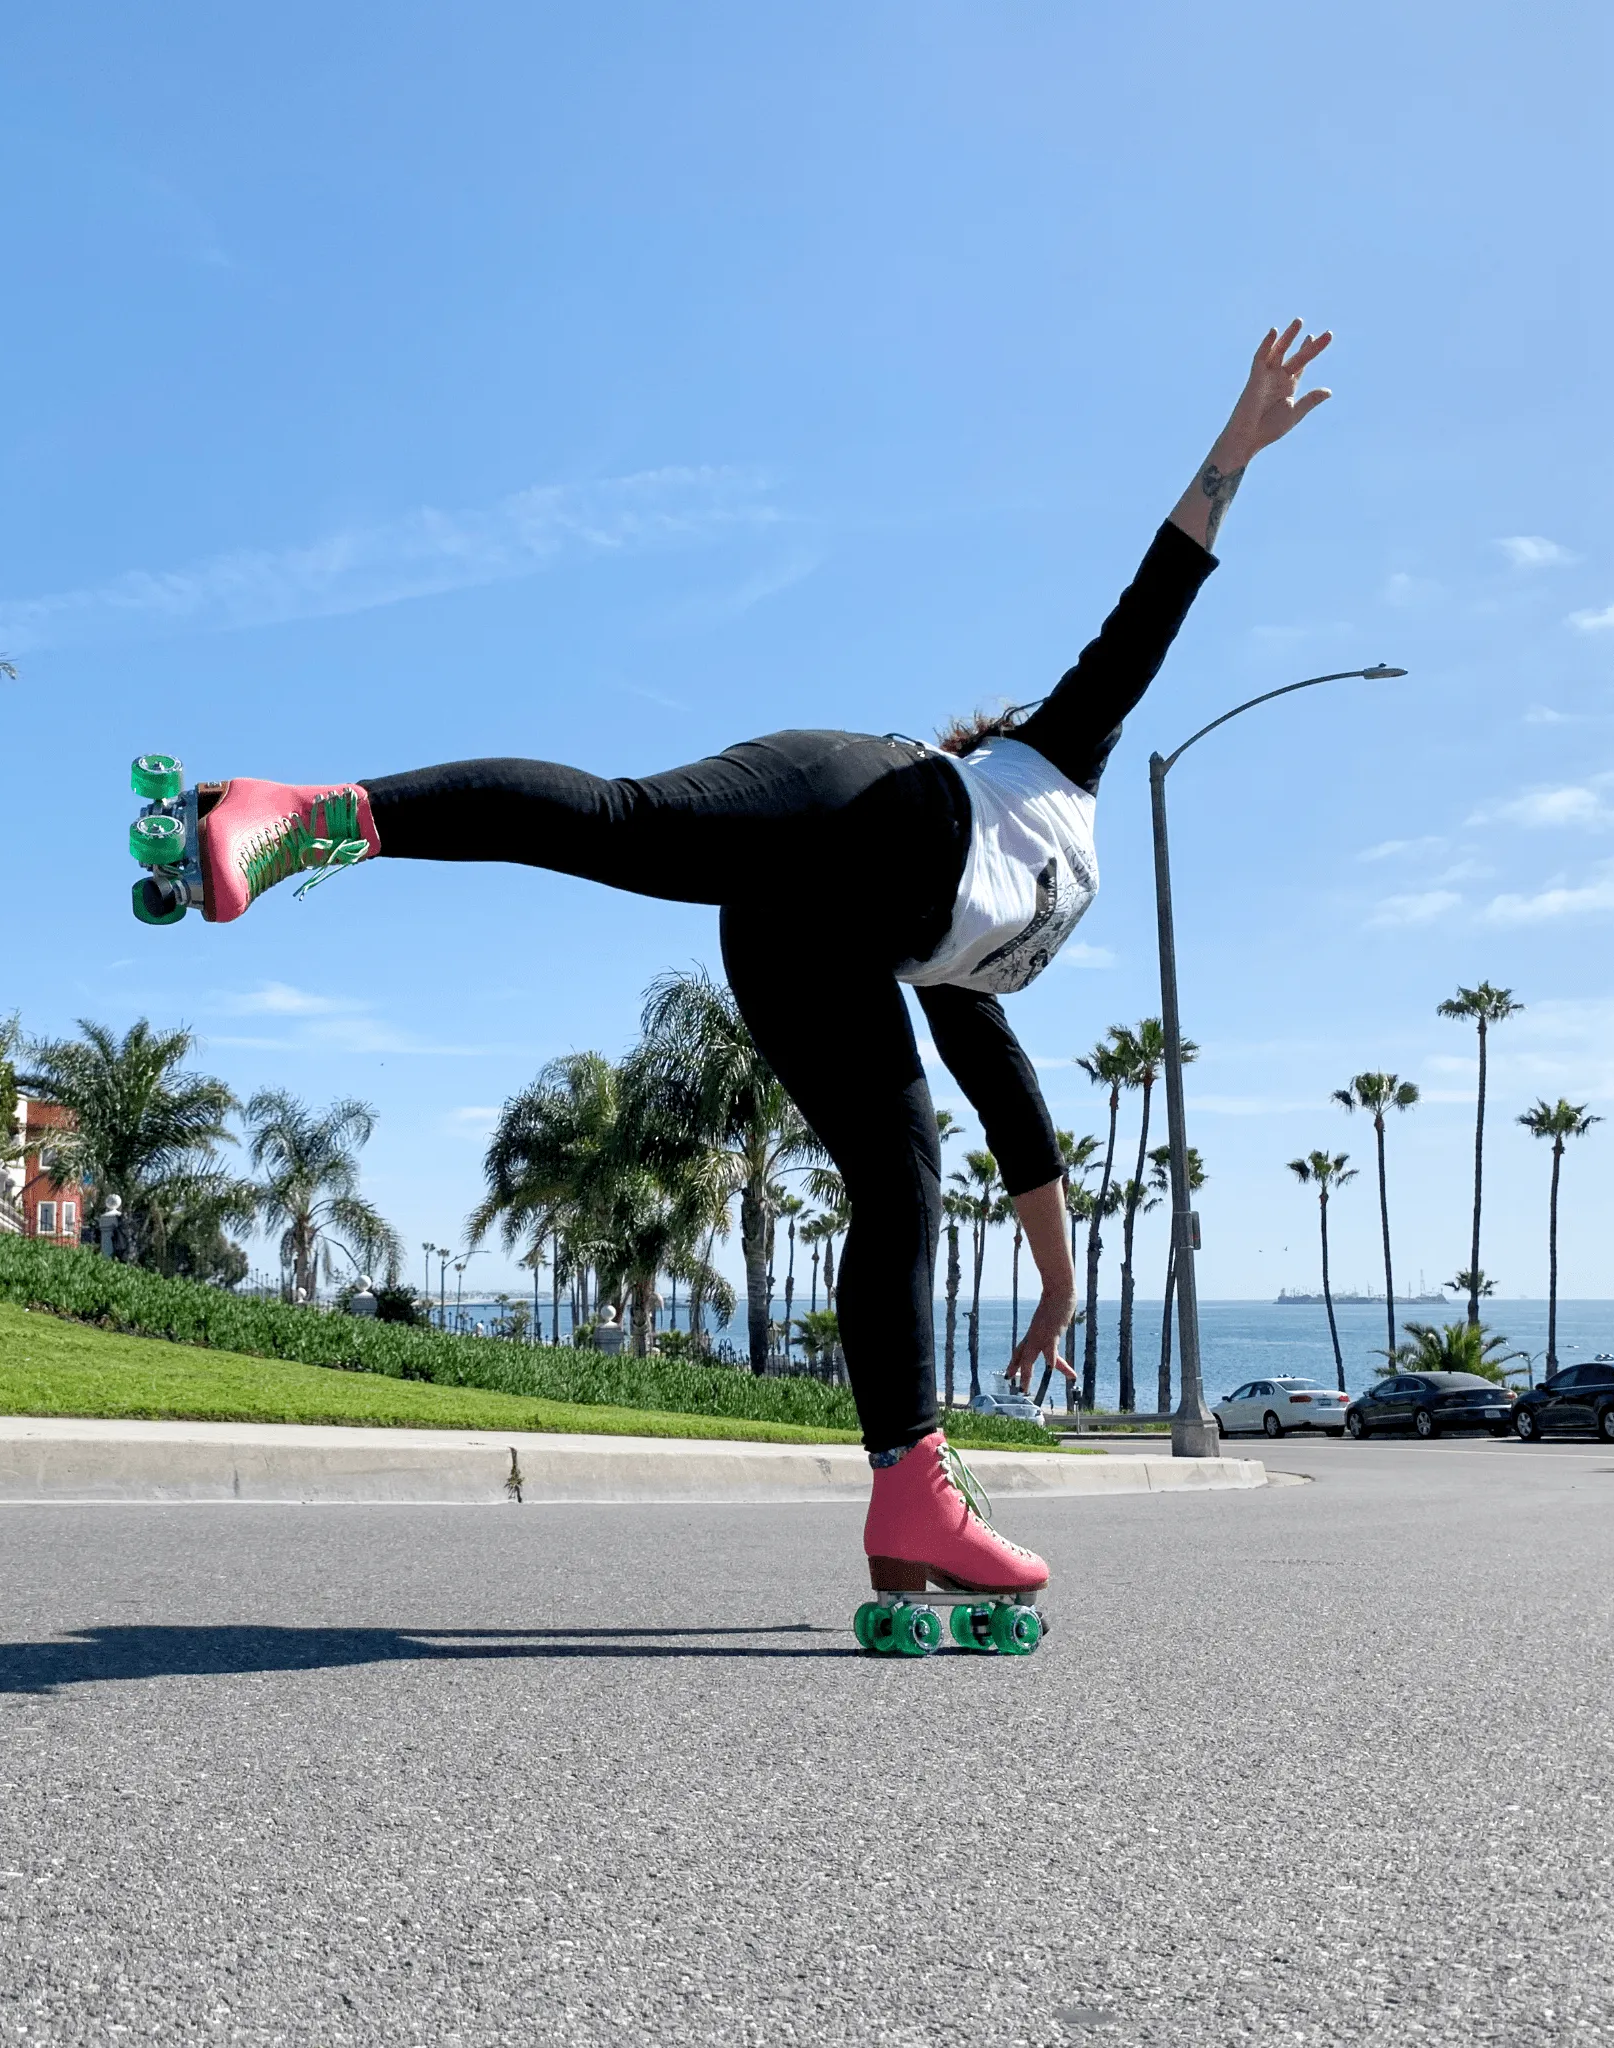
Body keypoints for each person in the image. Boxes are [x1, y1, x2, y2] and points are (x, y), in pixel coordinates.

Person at [159, 323, 1334, 1600]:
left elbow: (1010, 1103)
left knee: (900, 1184)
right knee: (625, 823)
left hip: (814, 942)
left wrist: (1055, 1278)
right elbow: (1146, 614)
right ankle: (302, 814)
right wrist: (1234, 449)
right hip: (850, 799)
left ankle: (910, 1495)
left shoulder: (966, 966)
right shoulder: (1051, 762)